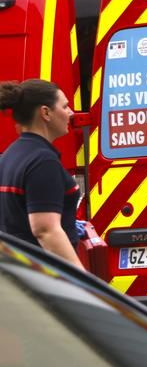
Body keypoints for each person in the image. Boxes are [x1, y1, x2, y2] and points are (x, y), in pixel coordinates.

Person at [0, 79, 85, 269]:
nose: (71, 113)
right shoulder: (42, 162)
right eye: (65, 106)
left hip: (20, 274)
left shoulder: (9, 156)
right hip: (45, 277)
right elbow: (46, 230)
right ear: (46, 112)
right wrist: (83, 283)